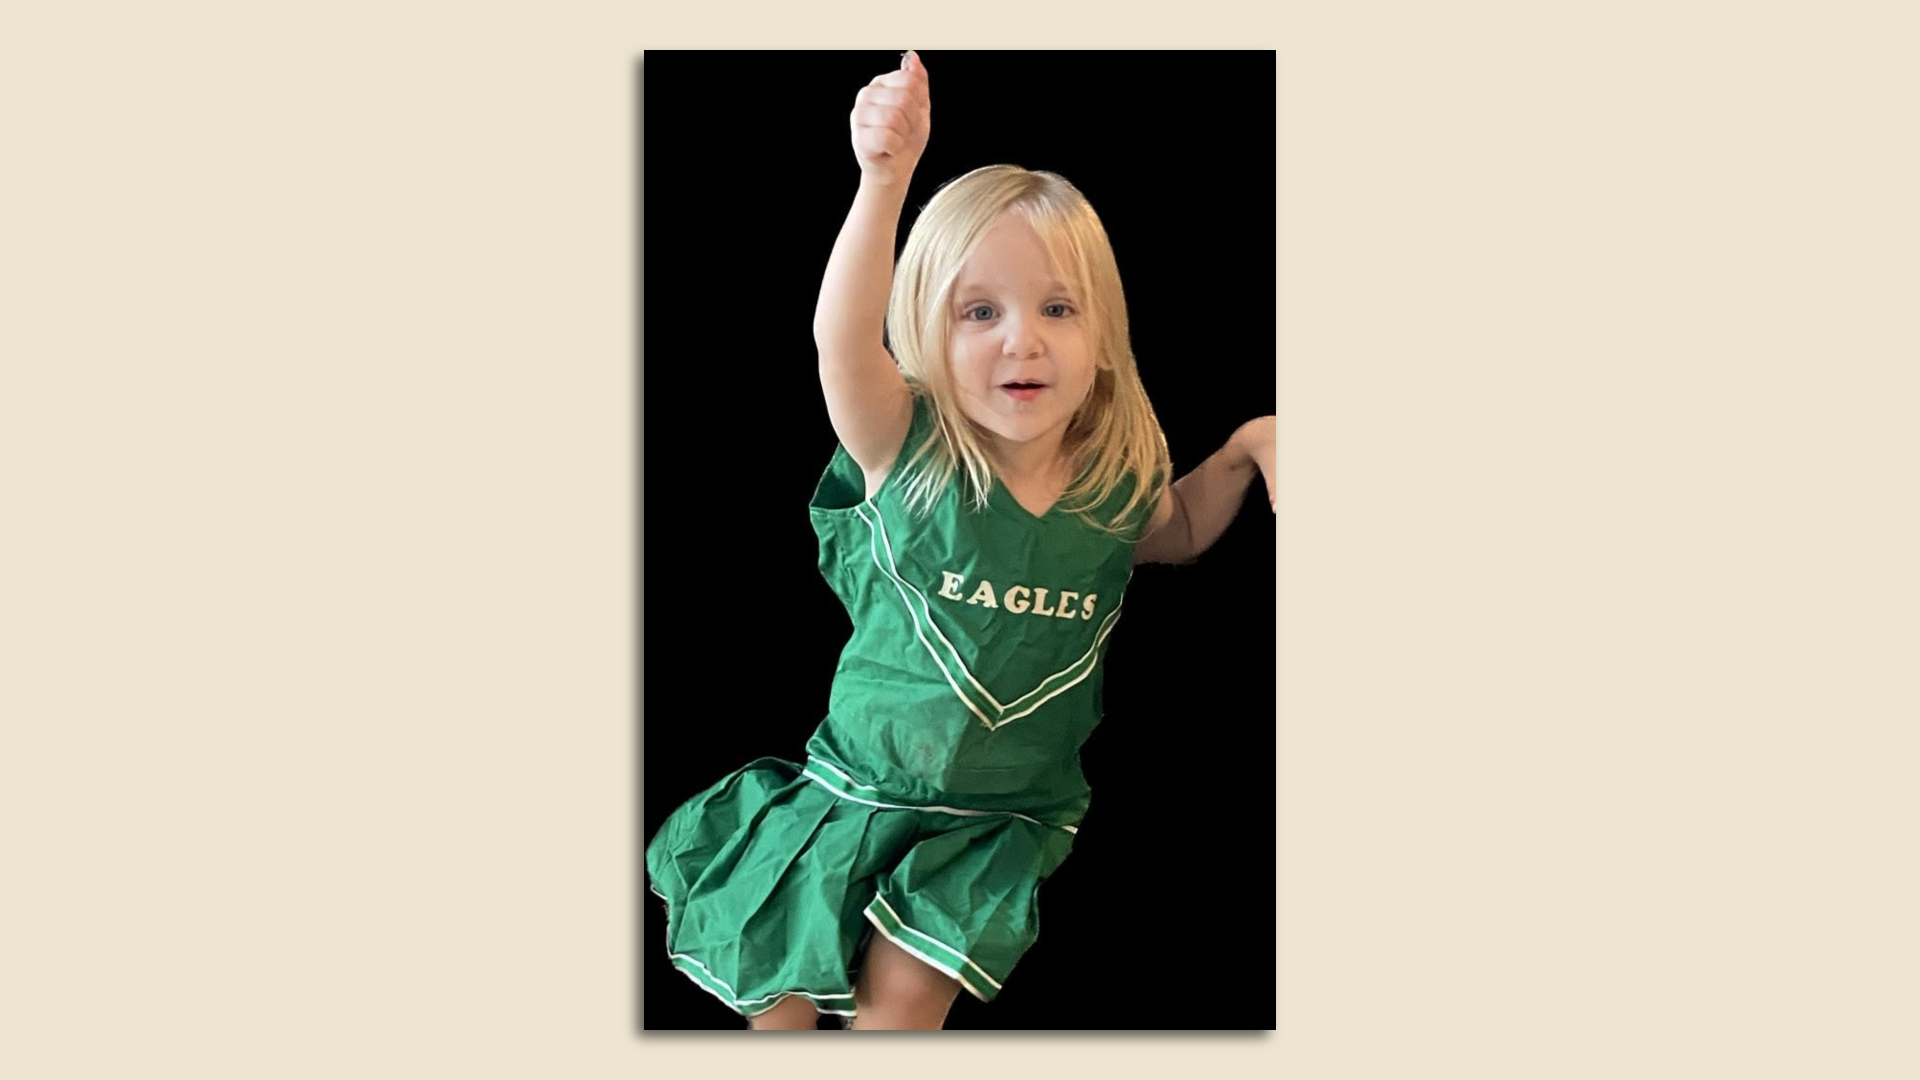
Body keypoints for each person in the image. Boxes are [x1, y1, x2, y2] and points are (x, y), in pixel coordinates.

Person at [644, 49, 1276, 1030]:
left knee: (901, 1010)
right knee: (783, 1014)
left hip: (1000, 818)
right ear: (927, 336)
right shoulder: (910, 448)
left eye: (1057, 308)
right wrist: (883, 180)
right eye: (979, 311)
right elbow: (839, 343)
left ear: (1103, 334)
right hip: (856, 787)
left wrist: (1245, 449)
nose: (1021, 337)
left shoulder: (1117, 479)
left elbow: (1179, 532)